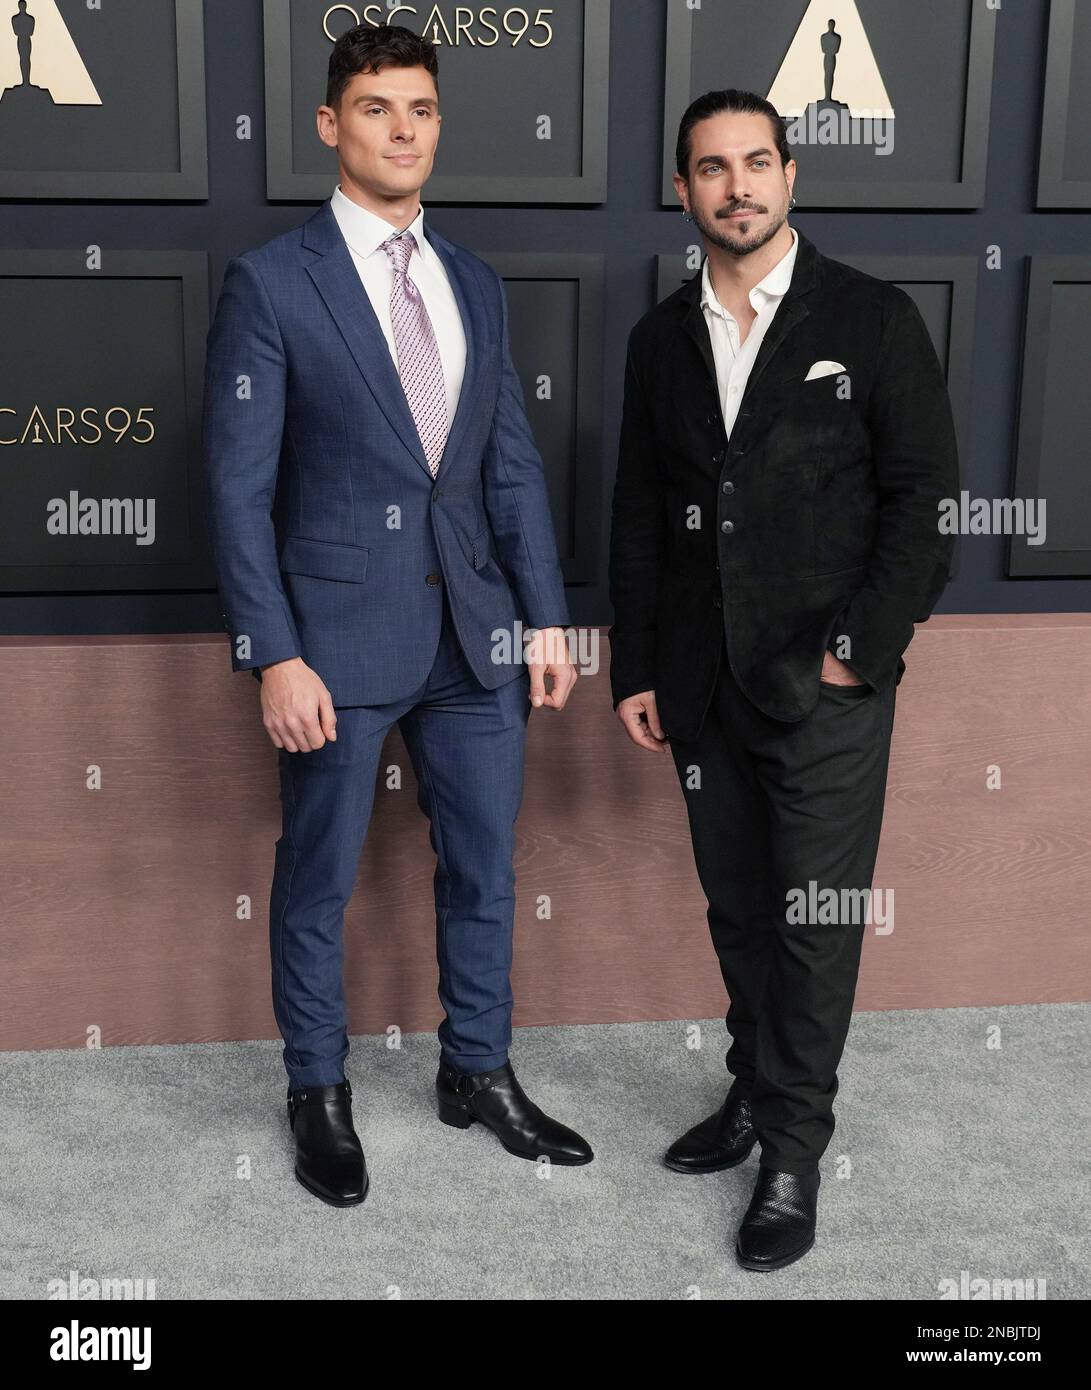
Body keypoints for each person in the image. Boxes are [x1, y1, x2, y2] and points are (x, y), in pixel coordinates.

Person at [202, 22, 592, 1207]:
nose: (401, 130)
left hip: (474, 637)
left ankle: (476, 1069)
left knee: (481, 863)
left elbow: (507, 466)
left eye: (418, 109)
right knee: (317, 876)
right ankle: (316, 1091)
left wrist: (544, 620)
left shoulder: (470, 280)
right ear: (331, 126)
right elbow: (235, 487)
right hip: (334, 641)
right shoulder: (272, 281)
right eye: (375, 109)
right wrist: (274, 653)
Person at [608, 88, 958, 1270]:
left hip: (825, 692)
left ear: (790, 174)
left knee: (810, 928)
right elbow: (640, 519)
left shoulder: (869, 318)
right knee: (739, 908)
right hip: (701, 686)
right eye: (711, 169)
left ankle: (795, 1151)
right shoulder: (658, 339)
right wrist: (641, 667)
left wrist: (854, 653)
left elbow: (922, 506)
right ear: (682, 189)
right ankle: (752, 1091)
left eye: (755, 163)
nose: (735, 187)